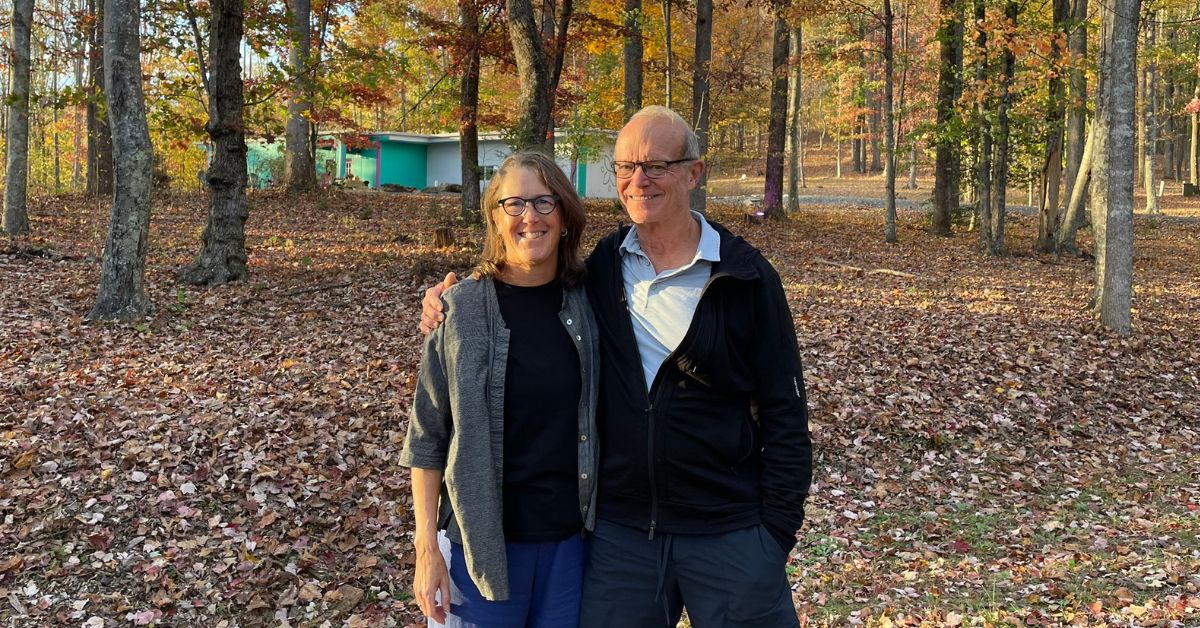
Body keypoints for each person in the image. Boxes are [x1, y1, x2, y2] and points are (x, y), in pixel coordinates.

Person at [420, 106, 811, 628]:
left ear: (694, 173)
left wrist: (775, 534)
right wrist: (451, 298)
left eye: (656, 166)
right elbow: (519, 283)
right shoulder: (603, 269)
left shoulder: (745, 278)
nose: (637, 180)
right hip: (623, 537)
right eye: (626, 167)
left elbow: (786, 413)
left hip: (728, 529)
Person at [401, 151, 599, 627]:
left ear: (565, 216)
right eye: (514, 204)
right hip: (478, 550)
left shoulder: (591, 303)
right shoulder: (458, 310)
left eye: (545, 202)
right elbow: (427, 439)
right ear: (495, 216)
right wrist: (426, 549)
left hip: (570, 550)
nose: (530, 216)